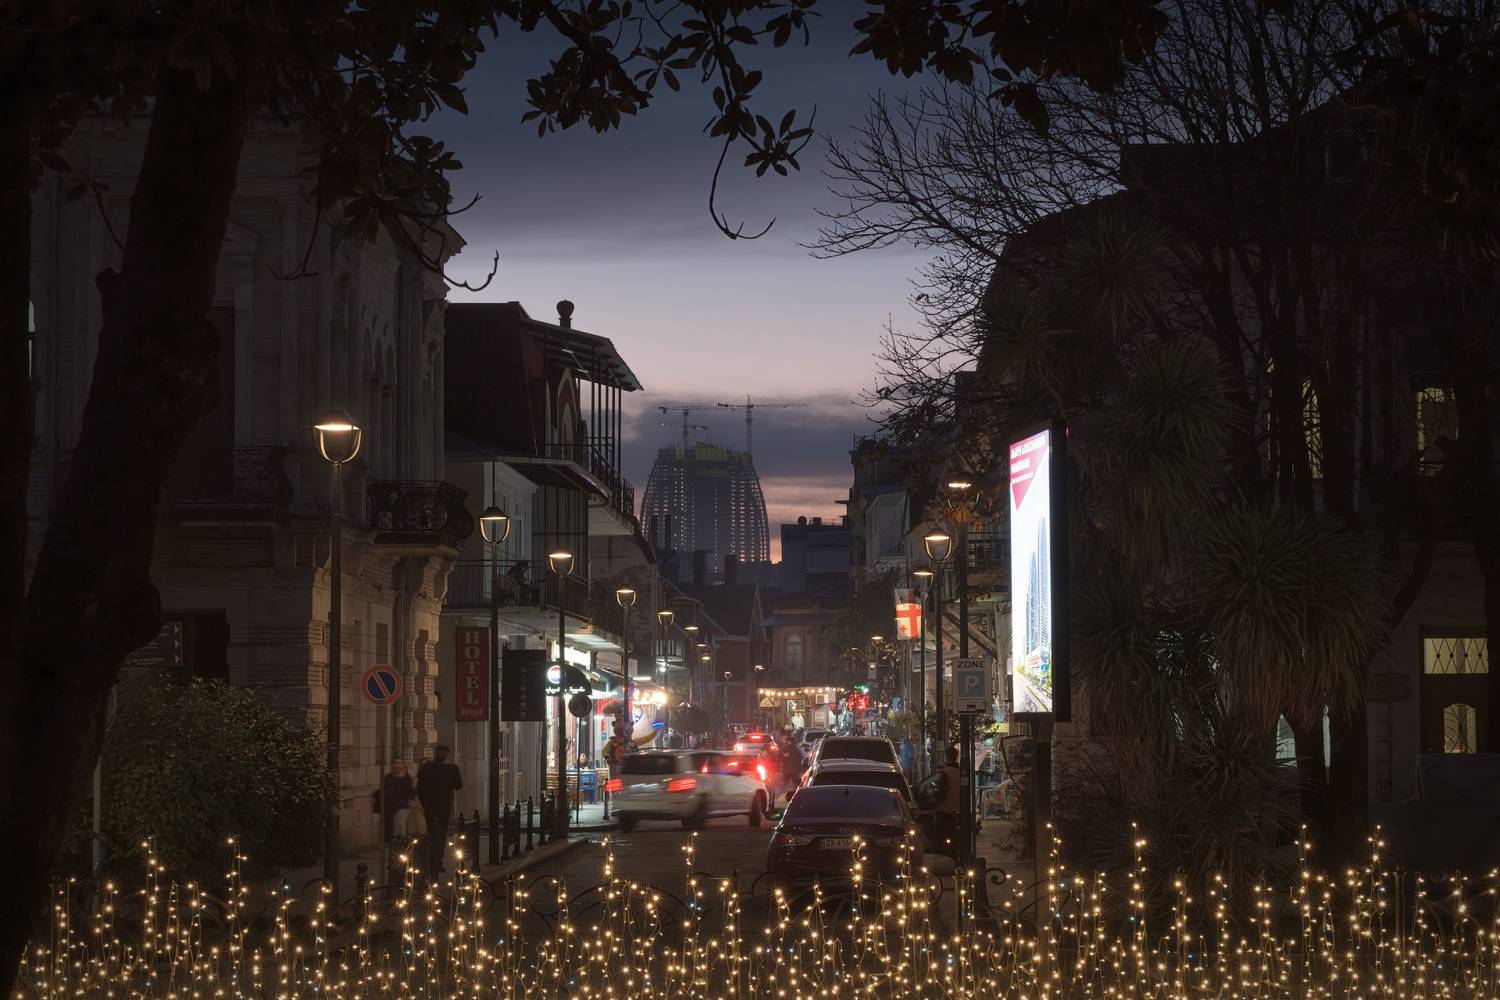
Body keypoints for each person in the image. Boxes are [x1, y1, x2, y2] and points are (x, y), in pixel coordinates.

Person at [417, 745, 463, 878]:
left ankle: (427, 864)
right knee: (441, 836)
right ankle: (437, 866)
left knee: (428, 835)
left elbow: (419, 788)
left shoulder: (426, 768)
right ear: (447, 755)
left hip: (429, 807)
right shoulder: (452, 768)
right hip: (444, 807)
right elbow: (458, 785)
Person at [933, 746, 962, 856]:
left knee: (941, 838)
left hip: (944, 810)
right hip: (958, 810)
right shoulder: (960, 772)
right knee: (953, 838)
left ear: (946, 756)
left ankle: (945, 857)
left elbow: (939, 792)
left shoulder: (945, 772)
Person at [381, 760, 416, 843]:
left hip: (404, 807)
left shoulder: (407, 777)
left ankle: (403, 842)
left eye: (399, 763)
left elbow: (410, 791)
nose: (397, 765)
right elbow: (388, 792)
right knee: (391, 827)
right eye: (395, 763)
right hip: (392, 806)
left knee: (402, 826)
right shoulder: (389, 777)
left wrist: (408, 801)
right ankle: (391, 842)